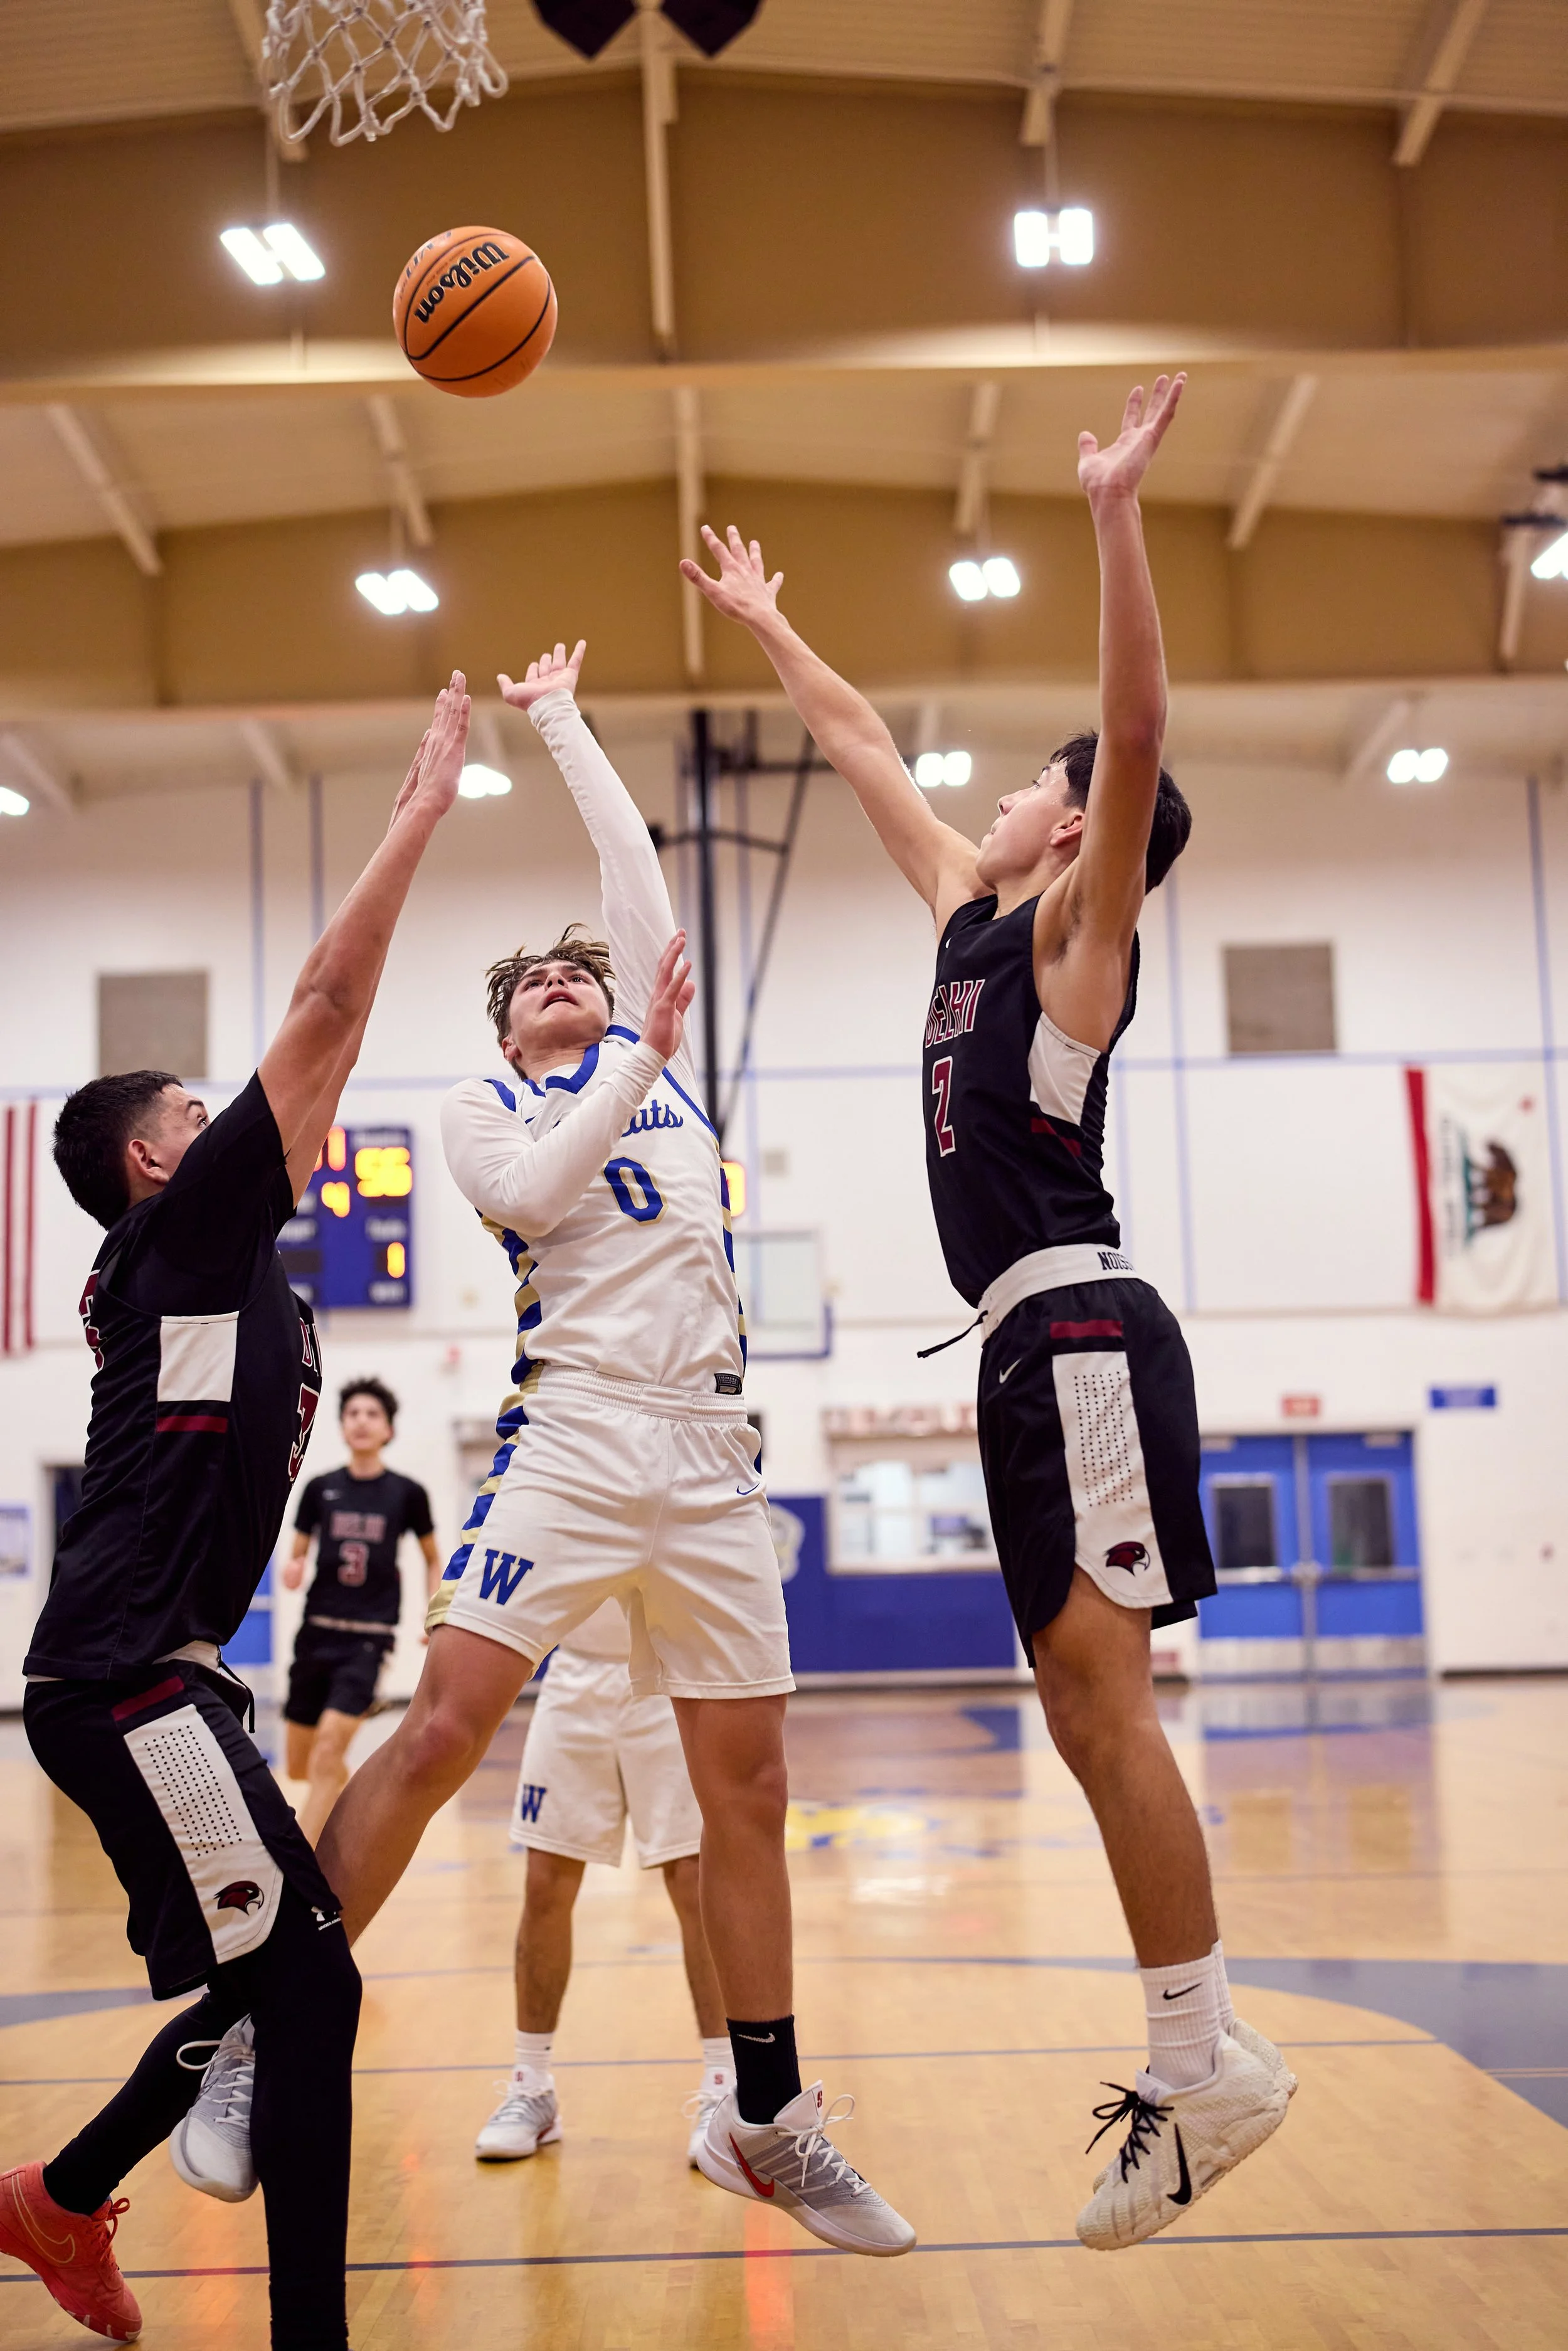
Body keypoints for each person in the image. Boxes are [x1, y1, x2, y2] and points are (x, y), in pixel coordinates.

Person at [683, 378, 1296, 2252]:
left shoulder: (1072, 939)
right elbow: (856, 737)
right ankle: (1195, 2045)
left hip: (1086, 1328)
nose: (1017, 789)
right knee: (1073, 1705)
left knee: (1103, 1710)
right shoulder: (965, 906)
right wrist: (769, 620)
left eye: (1046, 779)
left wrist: (1111, 512)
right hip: (1028, 1348)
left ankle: (1206, 2057)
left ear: (1084, 820)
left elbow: (1133, 724)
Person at [300, 639, 913, 2258]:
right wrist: (627, 1049)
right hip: (569, 1436)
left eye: (579, 975)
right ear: (508, 1030)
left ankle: (766, 2116)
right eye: (533, 985)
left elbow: (636, 886)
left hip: (710, 1449)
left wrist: (564, 717)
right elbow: (531, 1199)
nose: (561, 984)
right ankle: (258, 2029)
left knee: (750, 1790)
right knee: (436, 1728)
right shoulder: (482, 1104)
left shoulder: (654, 1055)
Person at [0, 677, 471, 2347]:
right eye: (197, 1113)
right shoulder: (186, 1231)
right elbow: (330, 1000)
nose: (231, 1125)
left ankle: (59, 2195)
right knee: (312, 1982)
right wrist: (415, 814)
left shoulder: (218, 1250)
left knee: (279, 1973)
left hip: (154, 1667)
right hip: (127, 1671)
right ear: (149, 1161)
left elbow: (323, 1078)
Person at [474, 1598, 734, 2169]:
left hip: (671, 1674)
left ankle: (723, 2088)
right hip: (574, 1675)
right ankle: (530, 2084)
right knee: (545, 1882)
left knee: (692, 1880)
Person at [282, 1376, 440, 1844]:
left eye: (372, 1414)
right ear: (341, 1426)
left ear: (388, 1429)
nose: (362, 1422)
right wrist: (292, 1568)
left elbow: (433, 1558)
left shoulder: (406, 1493)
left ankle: (301, 1866)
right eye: (353, 1414)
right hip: (316, 1633)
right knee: (301, 1764)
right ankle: (338, 1798)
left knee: (328, 1749)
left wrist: (433, 1610)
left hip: (368, 1639)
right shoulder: (319, 1489)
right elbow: (297, 1554)